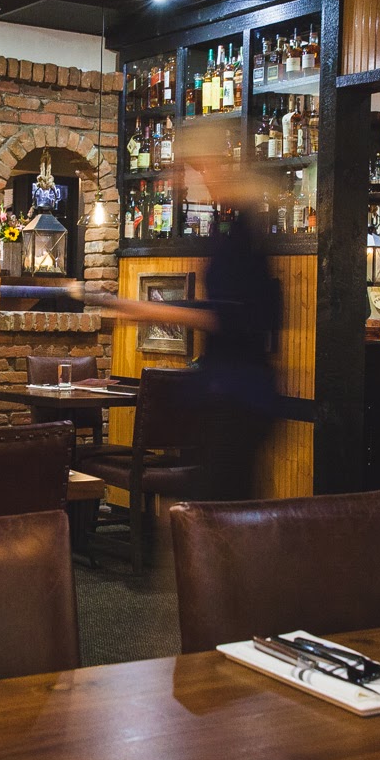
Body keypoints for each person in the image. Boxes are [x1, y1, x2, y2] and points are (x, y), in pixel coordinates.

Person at [74, 122, 280, 500]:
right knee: (217, 509)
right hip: (234, 393)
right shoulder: (232, 226)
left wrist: (139, 309)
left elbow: (231, 316)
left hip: (237, 396)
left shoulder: (241, 232)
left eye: (196, 168)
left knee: (216, 511)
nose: (191, 179)